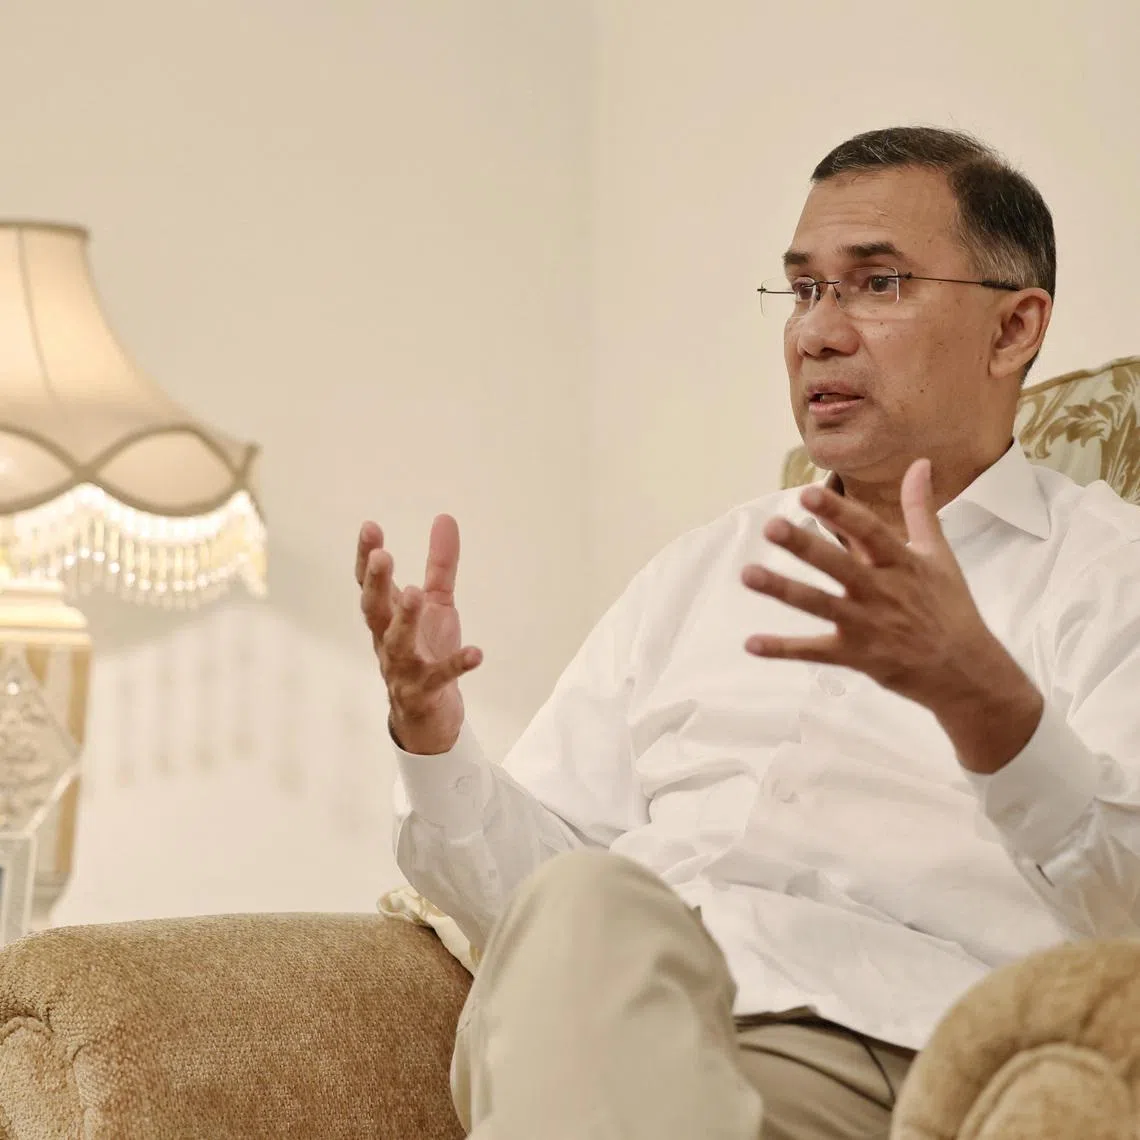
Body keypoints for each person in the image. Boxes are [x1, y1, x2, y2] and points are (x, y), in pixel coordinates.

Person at [356, 126, 1140, 1139]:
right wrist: (432, 739)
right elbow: (532, 902)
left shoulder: (1109, 574)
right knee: (588, 903)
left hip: (864, 1057)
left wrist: (981, 700)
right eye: (803, 290)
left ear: (1012, 330)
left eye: (878, 284)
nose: (818, 333)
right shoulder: (698, 572)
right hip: (590, 1020)